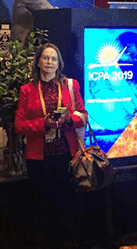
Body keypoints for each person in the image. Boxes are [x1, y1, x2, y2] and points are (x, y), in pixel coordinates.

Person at [14, 43, 87, 249]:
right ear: (38, 62)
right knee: (41, 207)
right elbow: (19, 125)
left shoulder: (70, 86)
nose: (49, 62)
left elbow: (83, 115)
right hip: (39, 158)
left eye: (53, 58)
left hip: (66, 156)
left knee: (66, 206)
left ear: (59, 63)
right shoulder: (27, 90)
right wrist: (43, 123)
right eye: (45, 58)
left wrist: (69, 119)